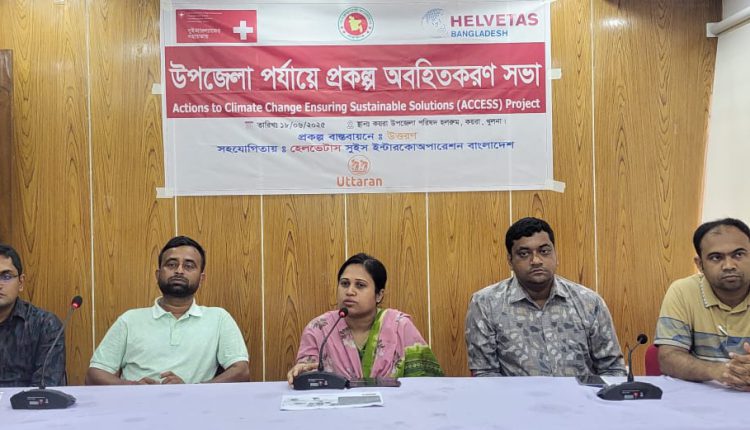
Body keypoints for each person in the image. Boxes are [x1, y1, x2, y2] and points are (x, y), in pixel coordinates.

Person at [465, 217, 626, 377]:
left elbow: (612, 369)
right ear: (510, 261)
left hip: (581, 394)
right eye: (524, 254)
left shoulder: (589, 302)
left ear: (556, 255)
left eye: (544, 251)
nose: (536, 261)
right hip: (517, 395)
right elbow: (485, 374)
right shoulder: (485, 304)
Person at [86, 236, 249, 385]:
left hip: (194, 406)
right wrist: (133, 387)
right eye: (171, 264)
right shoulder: (130, 320)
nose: (179, 270)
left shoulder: (218, 318)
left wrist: (190, 391)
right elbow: (94, 375)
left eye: (189, 266)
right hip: (137, 404)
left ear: (201, 279)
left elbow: (241, 372)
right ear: (158, 275)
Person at [287, 253, 443, 383]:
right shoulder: (319, 328)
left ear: (379, 295)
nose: (349, 291)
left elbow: (426, 383)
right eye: (344, 284)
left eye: (360, 285)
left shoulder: (400, 327)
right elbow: (308, 378)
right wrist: (301, 373)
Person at [655, 218, 750, 391]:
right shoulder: (683, 291)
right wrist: (718, 371)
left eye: (738, 254)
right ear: (700, 265)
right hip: (701, 397)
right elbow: (668, 359)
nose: (729, 265)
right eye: (716, 257)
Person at [0, 244, 66, 387]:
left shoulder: (45, 325)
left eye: (6, 276)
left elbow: (46, 386)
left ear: (21, 282)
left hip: (25, 401)